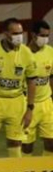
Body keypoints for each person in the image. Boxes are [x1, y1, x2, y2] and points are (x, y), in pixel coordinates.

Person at [0, 18, 37, 158]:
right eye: (15, 33)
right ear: (5, 33)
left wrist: (30, 109)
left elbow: (32, 82)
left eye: (21, 33)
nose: (19, 37)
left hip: (16, 102)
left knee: (15, 144)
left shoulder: (26, 53)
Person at [23, 21, 53, 155]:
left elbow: (51, 77)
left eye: (48, 36)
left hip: (47, 104)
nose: (45, 39)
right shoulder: (22, 54)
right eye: (42, 35)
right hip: (27, 105)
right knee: (27, 146)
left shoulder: (50, 52)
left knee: (51, 143)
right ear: (33, 35)